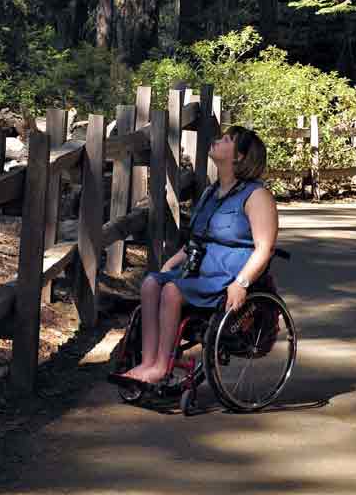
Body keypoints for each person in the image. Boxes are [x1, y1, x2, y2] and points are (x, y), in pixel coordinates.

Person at [118, 125, 279, 385]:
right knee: (150, 283)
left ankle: (161, 367)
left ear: (238, 156)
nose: (217, 140)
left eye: (226, 139)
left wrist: (242, 283)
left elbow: (264, 248)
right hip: (198, 269)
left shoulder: (257, 196)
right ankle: (147, 361)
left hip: (227, 275)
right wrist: (169, 265)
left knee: (171, 291)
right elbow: (195, 239)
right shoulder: (210, 193)